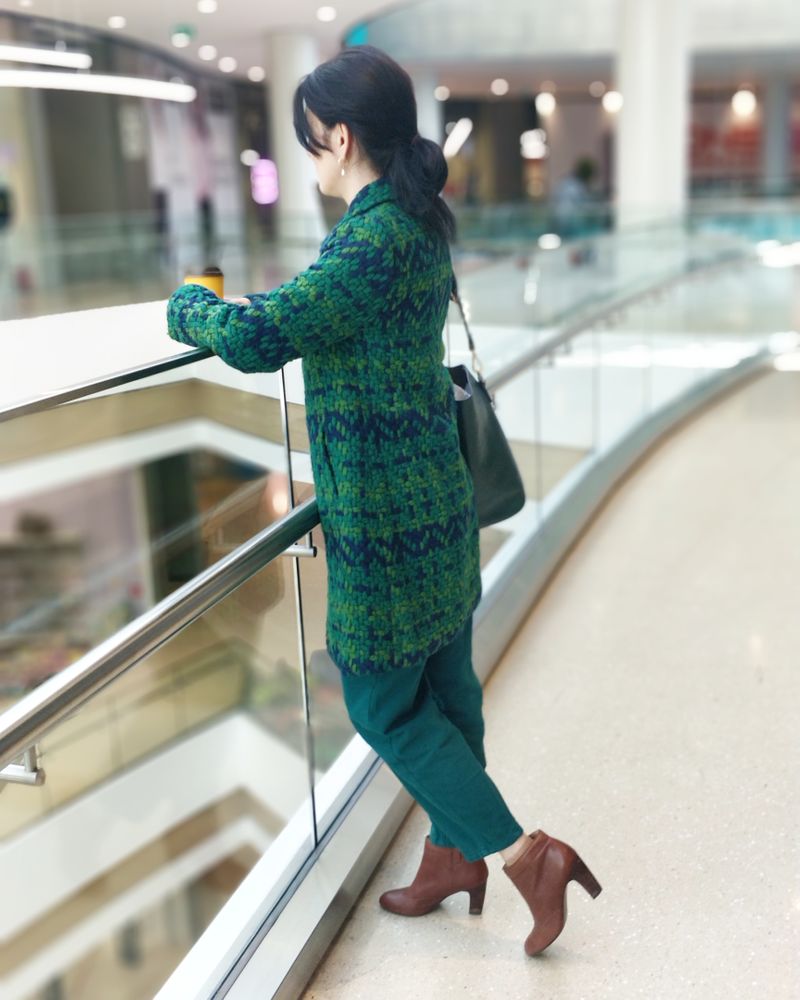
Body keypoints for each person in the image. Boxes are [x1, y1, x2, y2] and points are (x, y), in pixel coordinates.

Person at [166, 44, 601, 958]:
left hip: (385, 520)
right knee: (449, 688)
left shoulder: (370, 239)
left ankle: (524, 856)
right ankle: (452, 856)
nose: (310, 159)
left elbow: (260, 336)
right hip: (438, 500)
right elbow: (322, 311)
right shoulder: (418, 222)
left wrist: (188, 305)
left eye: (310, 141)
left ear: (342, 137)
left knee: (380, 702)